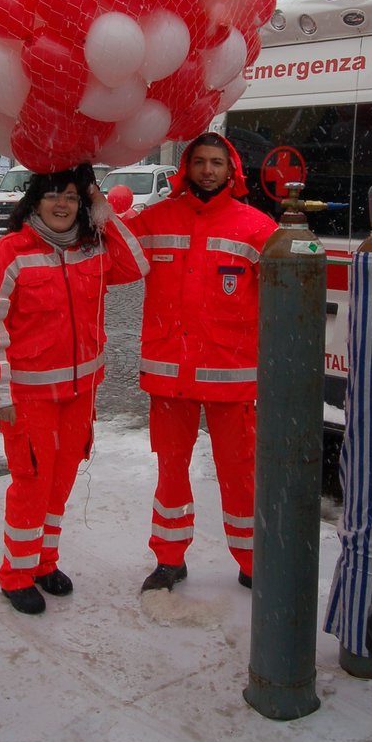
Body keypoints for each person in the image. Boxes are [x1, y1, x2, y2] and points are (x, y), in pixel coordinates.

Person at [0, 164, 148, 615]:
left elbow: (136, 264)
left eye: (71, 196)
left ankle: (45, 561)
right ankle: (16, 573)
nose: (63, 204)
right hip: (29, 399)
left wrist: (102, 206)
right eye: (53, 195)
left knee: (62, 480)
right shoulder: (8, 253)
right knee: (32, 483)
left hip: (80, 395)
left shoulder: (92, 249)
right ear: (35, 202)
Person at [129, 133, 277, 592]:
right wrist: (97, 211)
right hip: (168, 377)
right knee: (171, 473)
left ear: (231, 171)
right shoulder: (154, 221)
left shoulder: (256, 228)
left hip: (233, 380)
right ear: (186, 168)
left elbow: (284, 296)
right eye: (200, 162)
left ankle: (254, 562)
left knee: (240, 476)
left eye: (217, 163)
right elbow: (114, 263)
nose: (208, 171)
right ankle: (169, 559)